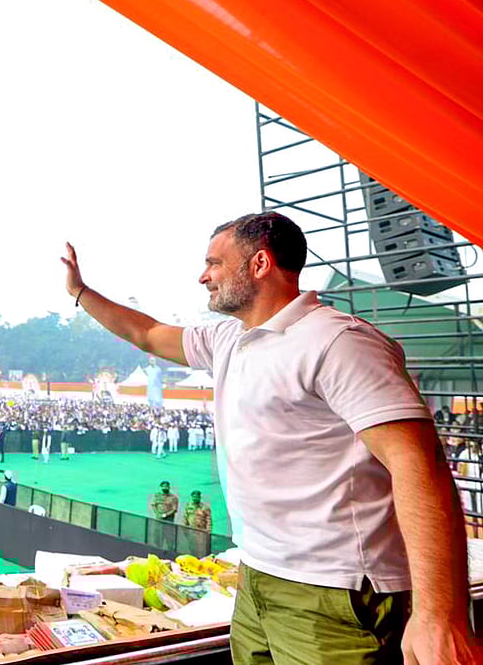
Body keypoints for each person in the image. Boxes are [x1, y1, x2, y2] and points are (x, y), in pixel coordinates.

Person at [61, 212, 481, 664]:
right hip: (259, 574)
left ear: (259, 264)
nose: (203, 277)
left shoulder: (339, 341)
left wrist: (441, 615)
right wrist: (81, 293)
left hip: (334, 592)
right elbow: (144, 332)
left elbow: (419, 465)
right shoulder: (228, 338)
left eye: (215, 264)